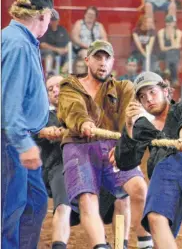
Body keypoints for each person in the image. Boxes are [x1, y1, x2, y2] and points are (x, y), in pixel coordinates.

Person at [56, 40, 151, 249]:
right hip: (78, 144)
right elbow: (74, 108)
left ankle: (141, 242)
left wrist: (124, 144)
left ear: (113, 62)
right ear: (87, 60)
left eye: (107, 58)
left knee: (138, 189)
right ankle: (101, 246)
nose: (103, 62)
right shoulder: (69, 86)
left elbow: (131, 116)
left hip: (113, 145)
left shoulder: (124, 87)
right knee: (87, 196)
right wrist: (84, 122)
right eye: (98, 57)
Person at [114, 71, 182, 249]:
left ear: (166, 91)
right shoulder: (143, 128)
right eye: (142, 97)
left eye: (152, 92)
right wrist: (129, 125)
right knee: (155, 218)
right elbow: (125, 162)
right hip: (164, 175)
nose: (148, 99)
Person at [34, 75, 132, 249]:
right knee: (63, 207)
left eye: (60, 86)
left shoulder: (86, 108)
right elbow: (28, 133)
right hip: (60, 166)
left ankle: (120, 245)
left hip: (91, 163)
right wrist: (43, 132)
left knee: (121, 196)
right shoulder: (41, 116)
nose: (56, 90)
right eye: (51, 89)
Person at [1, 0, 55, 248]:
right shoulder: (18, 44)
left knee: (35, 200)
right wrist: (23, 143)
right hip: (11, 138)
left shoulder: (22, 41)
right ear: (43, 16)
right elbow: (9, 99)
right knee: (9, 209)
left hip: (20, 135)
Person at [39, 10, 70, 75]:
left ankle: (64, 75)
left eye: (55, 20)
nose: (53, 22)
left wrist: (66, 49)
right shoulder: (45, 29)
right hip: (48, 53)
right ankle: (48, 75)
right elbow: (42, 44)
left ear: (58, 20)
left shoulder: (62, 29)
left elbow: (68, 42)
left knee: (70, 55)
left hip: (62, 52)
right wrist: (57, 50)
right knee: (49, 54)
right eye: (52, 20)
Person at [157, 15, 182, 86]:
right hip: (164, 54)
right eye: (167, 22)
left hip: (174, 54)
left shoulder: (179, 32)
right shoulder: (161, 32)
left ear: (174, 23)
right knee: (171, 53)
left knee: (172, 53)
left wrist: (171, 37)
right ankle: (174, 79)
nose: (169, 24)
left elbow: (177, 47)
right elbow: (162, 48)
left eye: (171, 22)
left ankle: (167, 69)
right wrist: (173, 46)